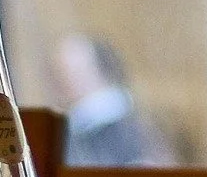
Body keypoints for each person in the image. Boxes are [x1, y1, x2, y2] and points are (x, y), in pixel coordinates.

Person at [54, 34, 174, 167]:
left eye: (76, 71)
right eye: (62, 73)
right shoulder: (70, 128)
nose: (66, 80)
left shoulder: (129, 123)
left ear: (99, 70)